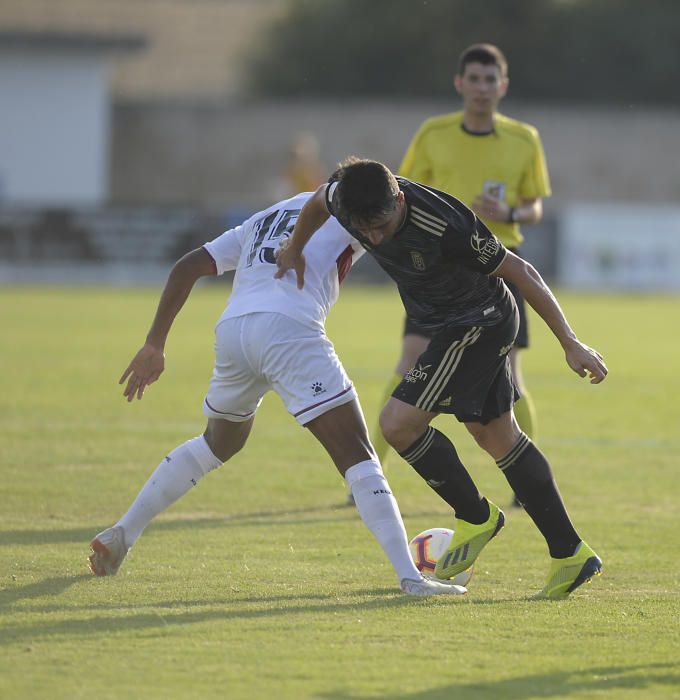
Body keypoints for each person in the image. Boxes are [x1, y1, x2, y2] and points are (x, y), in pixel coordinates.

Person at [87, 191, 466, 598]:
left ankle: (122, 533)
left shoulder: (264, 217)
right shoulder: (352, 209)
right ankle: (411, 577)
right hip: (290, 331)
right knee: (358, 455)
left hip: (234, 331)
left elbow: (188, 266)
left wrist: (155, 343)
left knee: (217, 443)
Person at [275, 157, 606, 599]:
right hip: (448, 322)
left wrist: (570, 342)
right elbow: (318, 201)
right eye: (364, 229)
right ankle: (571, 553)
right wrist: (295, 247)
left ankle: (476, 516)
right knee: (497, 436)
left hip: (479, 321)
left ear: (397, 199)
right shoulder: (343, 198)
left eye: (381, 225)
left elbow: (521, 272)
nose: (373, 237)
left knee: (397, 424)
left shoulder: (446, 224)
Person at [367, 44, 551, 509]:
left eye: (491, 80)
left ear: (503, 86)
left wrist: (509, 210)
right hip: (434, 273)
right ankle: (371, 477)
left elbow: (535, 204)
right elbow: (399, 192)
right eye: (475, 79)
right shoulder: (434, 133)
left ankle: (522, 486)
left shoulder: (524, 139)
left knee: (511, 377)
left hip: (497, 268)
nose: (483, 88)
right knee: (407, 363)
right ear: (460, 84)